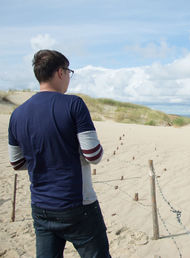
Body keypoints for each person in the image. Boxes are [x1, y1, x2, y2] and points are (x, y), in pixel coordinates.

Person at [8, 49, 111, 257]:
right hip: (77, 204)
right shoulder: (74, 104)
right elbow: (93, 154)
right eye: (69, 72)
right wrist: (70, 155)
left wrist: (45, 158)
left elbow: (17, 163)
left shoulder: (17, 114)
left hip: (40, 207)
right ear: (60, 72)